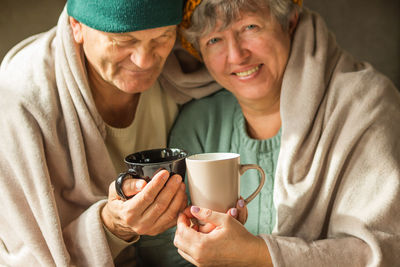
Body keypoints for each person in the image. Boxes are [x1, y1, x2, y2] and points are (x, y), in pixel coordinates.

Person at [168, 0, 400, 266]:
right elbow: (164, 248)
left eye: (249, 27)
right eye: (214, 40)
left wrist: (257, 254)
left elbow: (387, 251)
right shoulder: (199, 124)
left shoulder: (365, 105)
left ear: (288, 22)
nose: (236, 55)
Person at [0, 0, 221, 266]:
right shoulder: (18, 105)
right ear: (76, 27)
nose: (144, 60)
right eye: (122, 40)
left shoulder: (187, 71)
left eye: (161, 37)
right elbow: (25, 255)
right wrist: (112, 225)